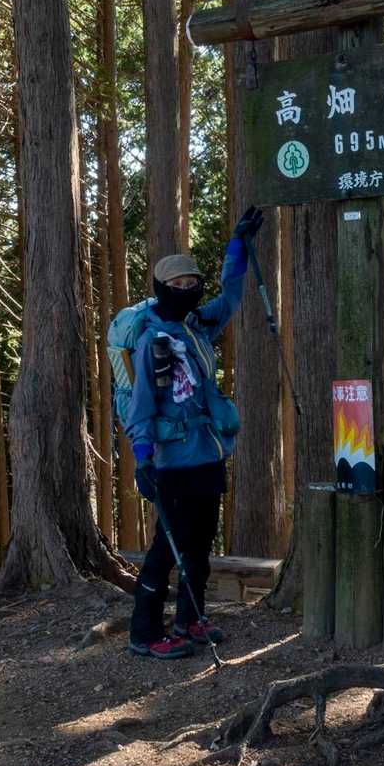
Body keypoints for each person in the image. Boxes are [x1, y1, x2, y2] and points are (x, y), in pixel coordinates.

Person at [124, 206, 265, 658]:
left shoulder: (198, 326)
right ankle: (144, 633)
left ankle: (190, 619)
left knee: (200, 545)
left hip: (208, 453)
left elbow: (231, 295)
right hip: (173, 461)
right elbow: (141, 406)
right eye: (178, 285)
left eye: (192, 284)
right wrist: (143, 460)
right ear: (162, 288)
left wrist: (238, 246)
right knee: (166, 549)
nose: (187, 290)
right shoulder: (153, 341)